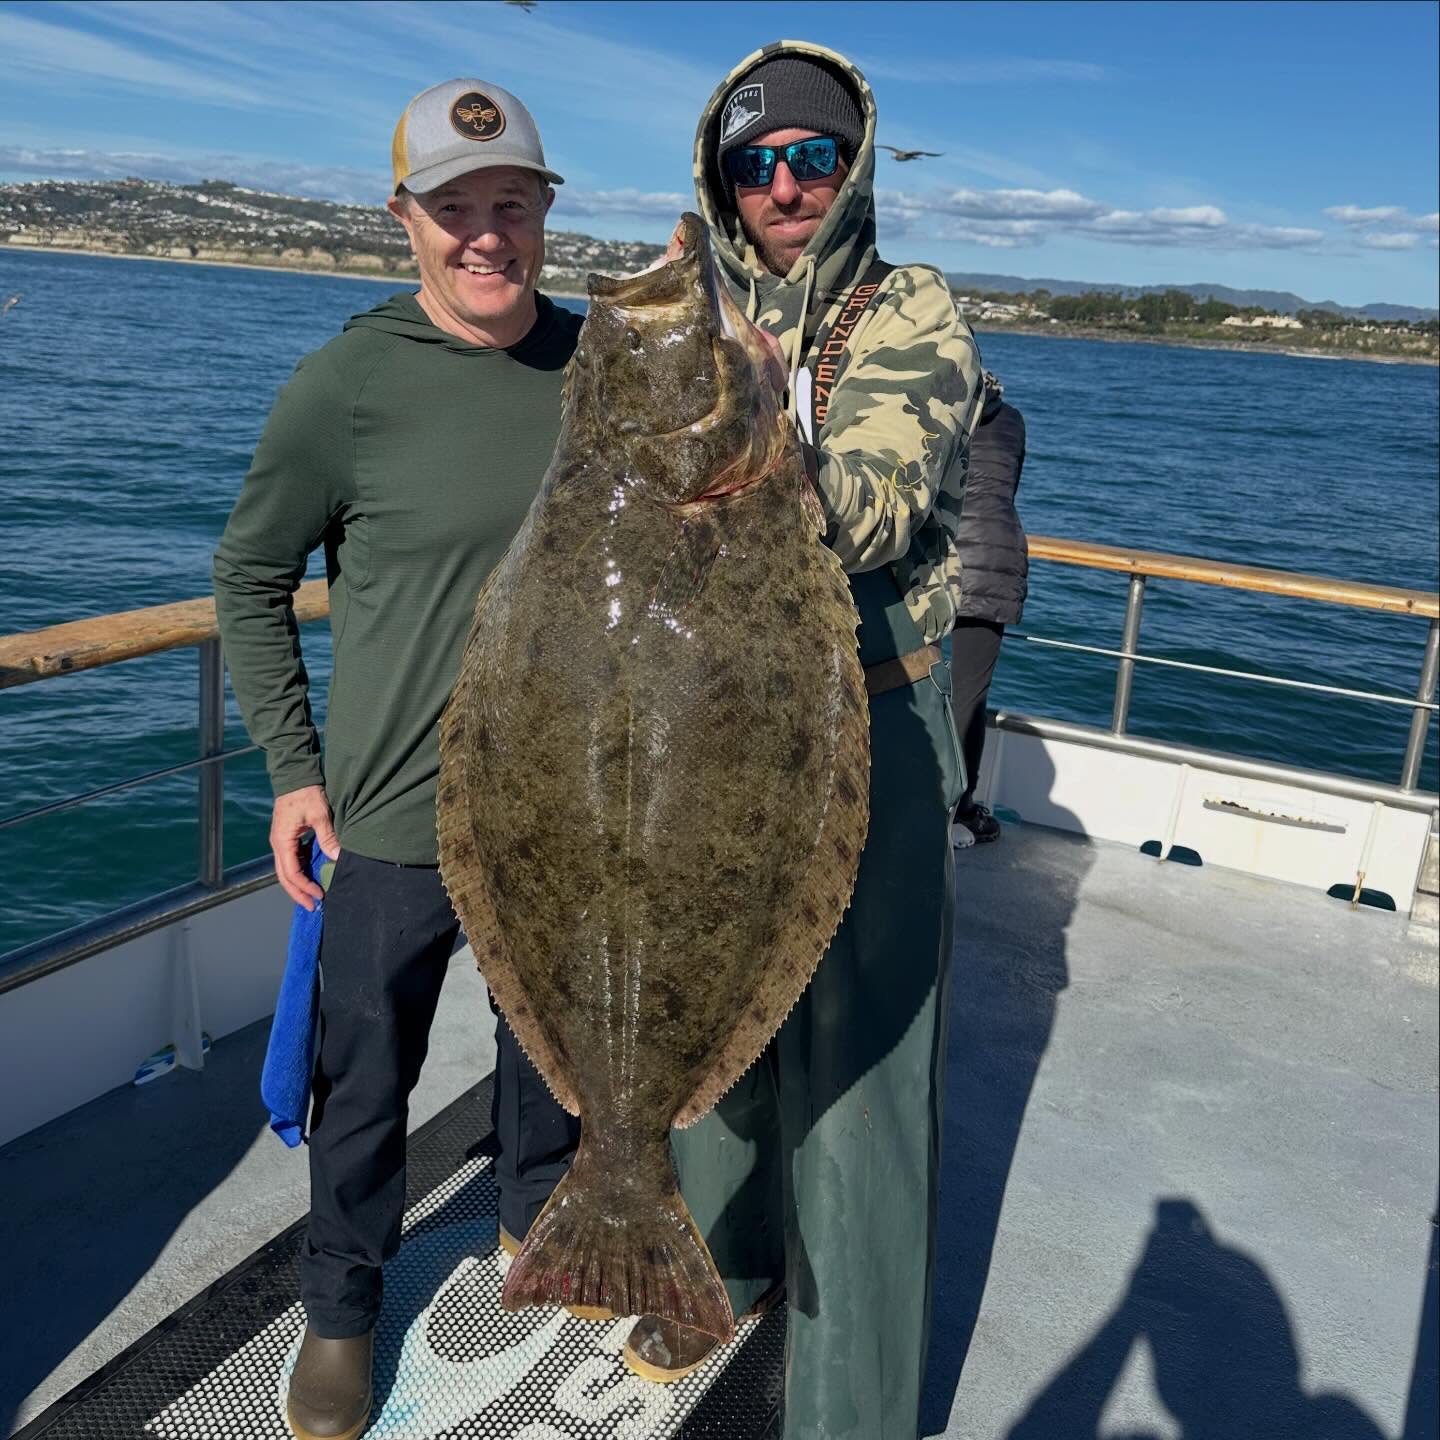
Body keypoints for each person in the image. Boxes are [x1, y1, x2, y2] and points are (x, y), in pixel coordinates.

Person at [618, 42, 984, 1440]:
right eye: (754, 162)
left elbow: (881, 503)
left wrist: (744, 409)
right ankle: (719, 1269)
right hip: (700, 731)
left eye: (813, 158)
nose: (784, 184)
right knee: (714, 1041)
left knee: (860, 1086)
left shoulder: (915, 313)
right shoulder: (683, 305)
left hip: (871, 730)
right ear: (719, 179)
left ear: (856, 169)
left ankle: (857, 1408)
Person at [212, 78, 582, 1440]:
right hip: (388, 816)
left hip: (563, 813)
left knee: (555, 1056)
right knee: (362, 1086)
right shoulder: (347, 384)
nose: (485, 236)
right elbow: (250, 576)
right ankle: (342, 1315)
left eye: (510, 205)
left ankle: (535, 1231)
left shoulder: (599, 370)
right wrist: (293, 769)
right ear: (404, 220)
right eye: (454, 210)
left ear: (544, 215)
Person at [948, 371, 1028, 845]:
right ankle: (961, 808)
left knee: (900, 680)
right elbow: (1005, 484)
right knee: (969, 696)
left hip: (943, 559)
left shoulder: (934, 409)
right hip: (997, 558)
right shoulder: (1013, 419)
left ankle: (904, 795)